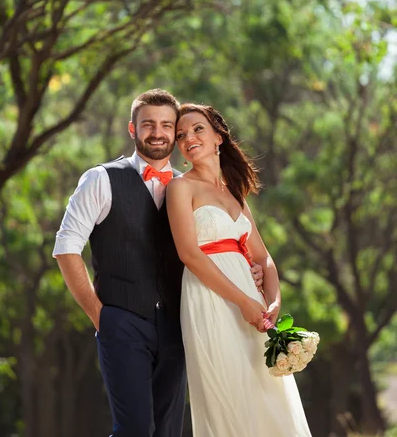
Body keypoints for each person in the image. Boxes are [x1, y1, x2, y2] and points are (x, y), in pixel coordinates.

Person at [53, 89, 264, 437]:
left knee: (168, 430)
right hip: (122, 320)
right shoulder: (102, 179)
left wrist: (249, 269)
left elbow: (217, 243)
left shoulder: (189, 188)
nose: (158, 132)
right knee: (135, 429)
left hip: (179, 323)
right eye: (148, 124)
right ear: (132, 129)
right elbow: (66, 248)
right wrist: (99, 314)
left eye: (168, 125)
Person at [166, 103, 312, 437]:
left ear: (218, 136)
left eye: (198, 129)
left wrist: (273, 303)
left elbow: (263, 258)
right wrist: (243, 301)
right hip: (210, 299)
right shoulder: (180, 188)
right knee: (229, 391)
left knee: (266, 392)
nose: (189, 137)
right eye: (181, 135)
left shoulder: (235, 191)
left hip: (252, 304)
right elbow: (189, 254)